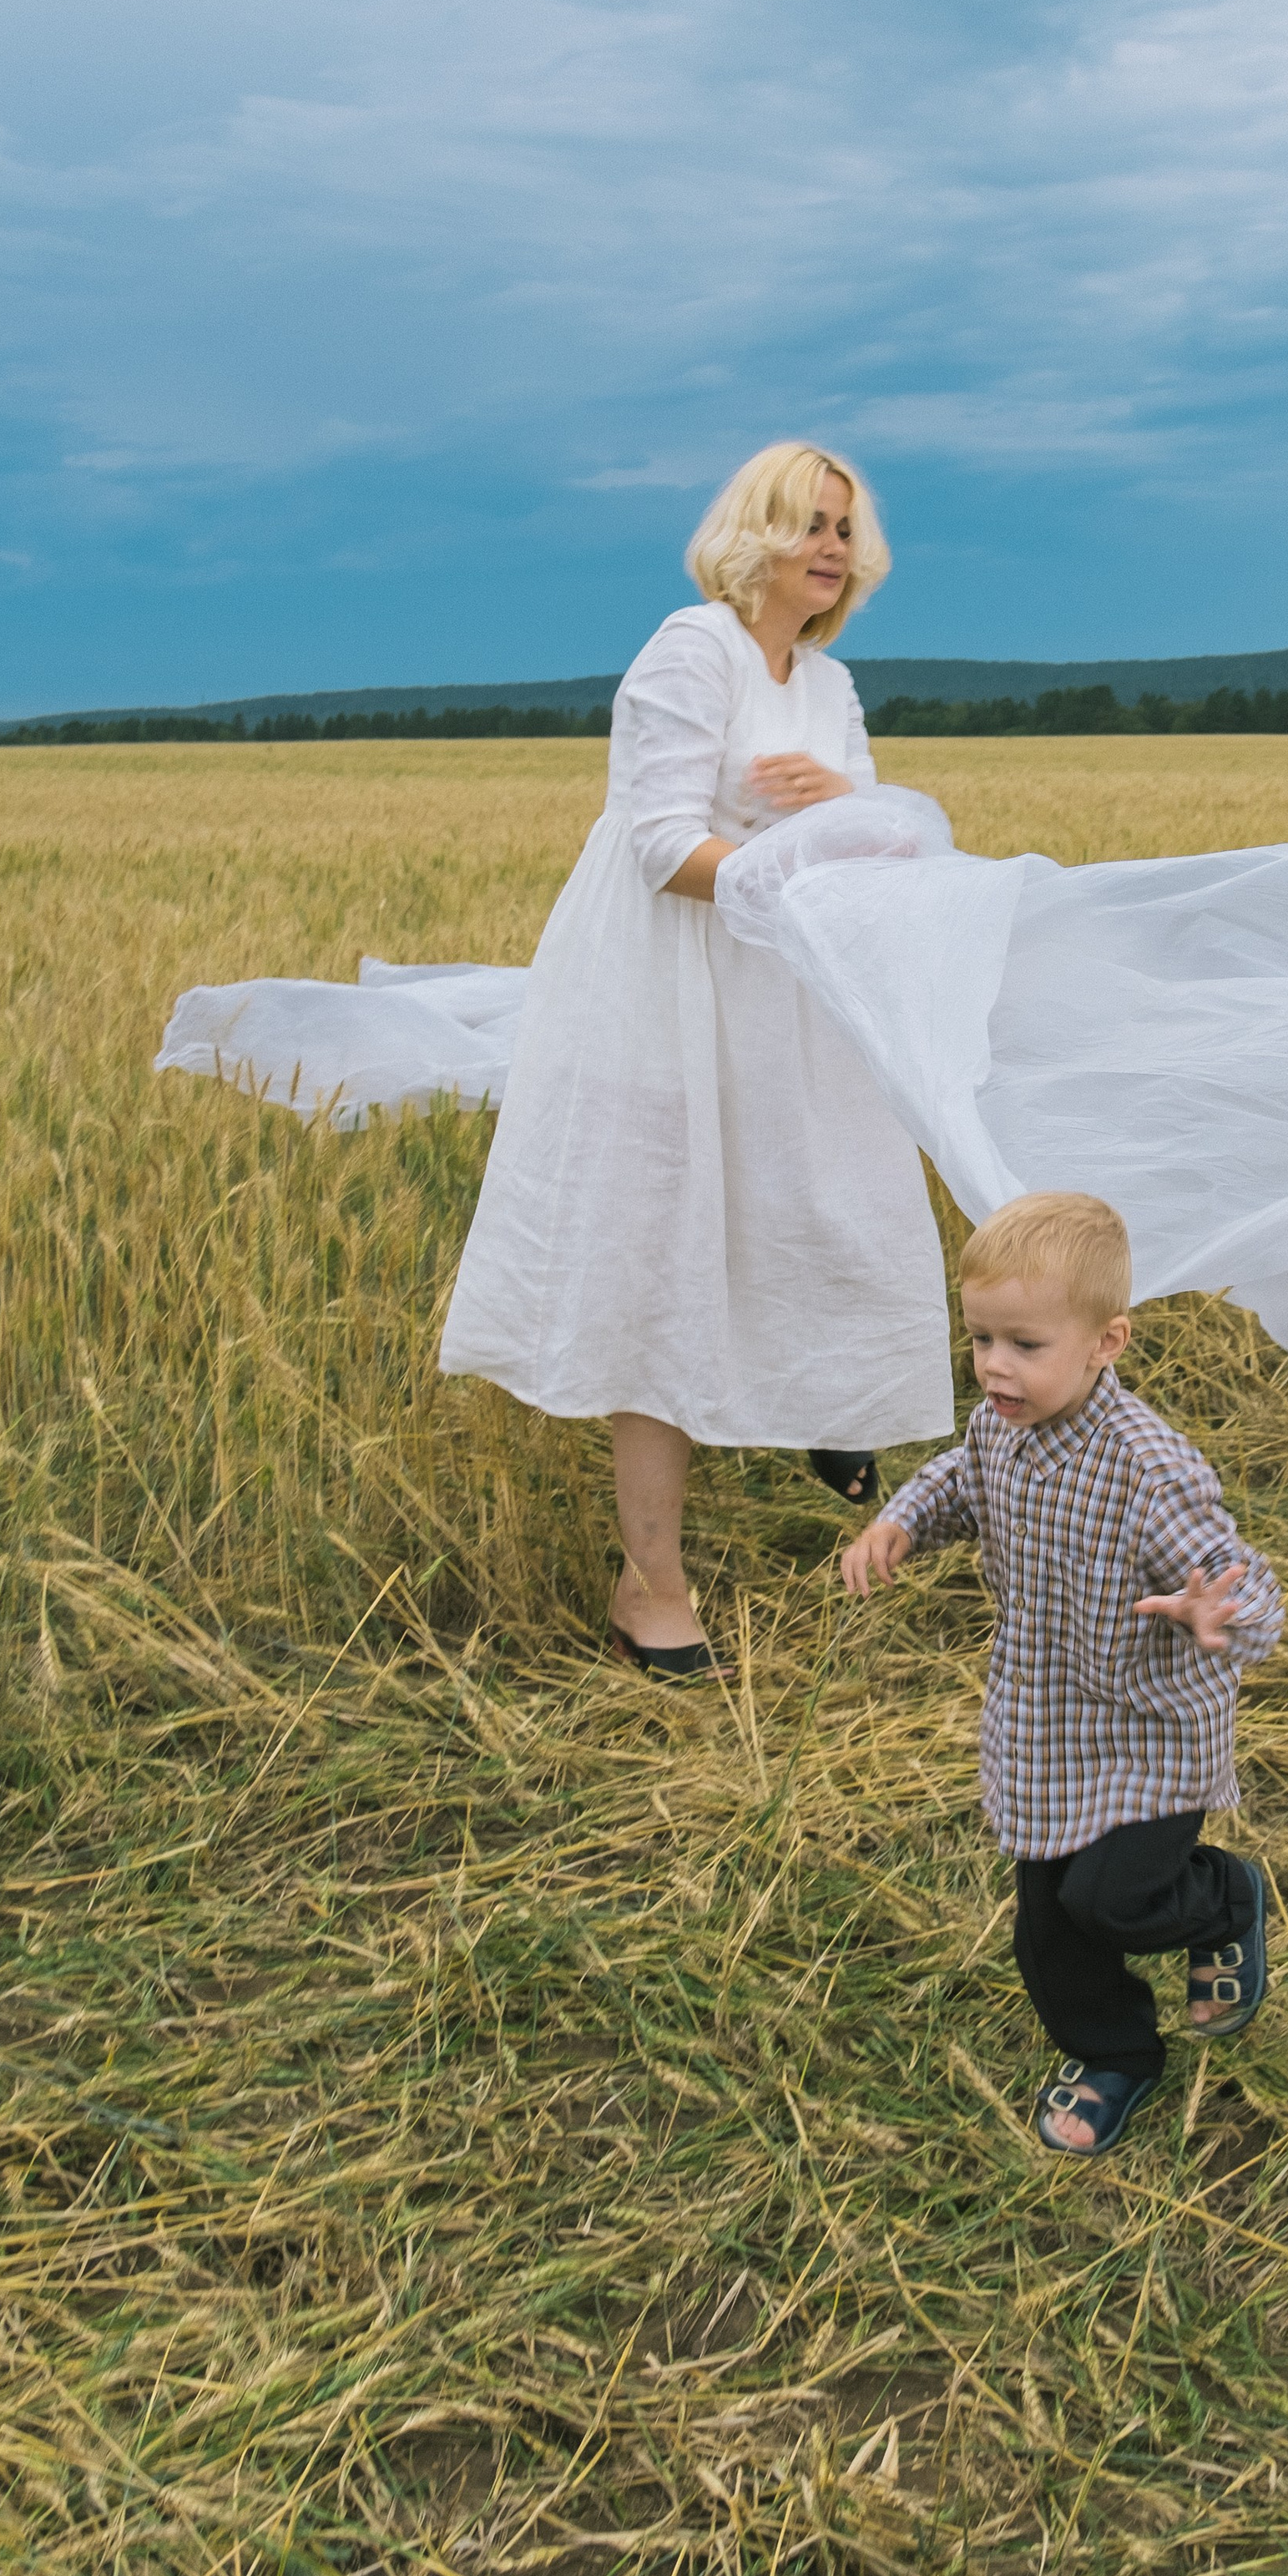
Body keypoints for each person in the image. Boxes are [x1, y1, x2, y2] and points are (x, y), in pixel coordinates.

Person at [437, 441, 954, 1676]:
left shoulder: (826, 684)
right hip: (670, 990)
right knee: (664, 1259)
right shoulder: (693, 648)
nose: (831, 550)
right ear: (750, 536)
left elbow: (874, 834)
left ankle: (826, 1404)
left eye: (844, 529)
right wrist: (808, 847)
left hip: (790, 992)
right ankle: (649, 1585)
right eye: (806, 525)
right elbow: (660, 847)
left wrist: (836, 801)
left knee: (840, 1206)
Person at [840, 1191, 1282, 2156]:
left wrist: (1219, 1610)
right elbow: (959, 1477)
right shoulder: (1001, 1425)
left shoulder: (1146, 1473)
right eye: (982, 1340)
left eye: (1024, 1344)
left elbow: (1254, 1591)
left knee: (1110, 1899)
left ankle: (1225, 1898)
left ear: (1104, 1342)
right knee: (1046, 1920)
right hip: (1043, 1720)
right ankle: (1114, 2052)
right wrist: (902, 1521)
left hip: (1149, 1731)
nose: (996, 1366)